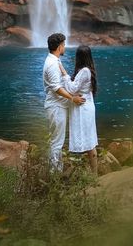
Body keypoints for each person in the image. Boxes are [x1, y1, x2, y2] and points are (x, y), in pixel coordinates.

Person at [43, 33, 85, 171]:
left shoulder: (55, 61)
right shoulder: (52, 65)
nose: (65, 47)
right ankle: (54, 174)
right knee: (57, 142)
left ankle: (55, 169)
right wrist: (72, 98)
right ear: (60, 47)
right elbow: (56, 88)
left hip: (57, 106)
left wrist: (72, 92)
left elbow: (62, 80)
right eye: (64, 45)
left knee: (56, 140)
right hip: (56, 107)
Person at [58, 45, 98, 175]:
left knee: (89, 142)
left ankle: (94, 174)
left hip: (84, 109)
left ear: (79, 58)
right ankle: (91, 174)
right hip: (85, 107)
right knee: (87, 140)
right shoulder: (87, 70)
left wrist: (63, 72)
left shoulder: (85, 71)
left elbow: (72, 88)